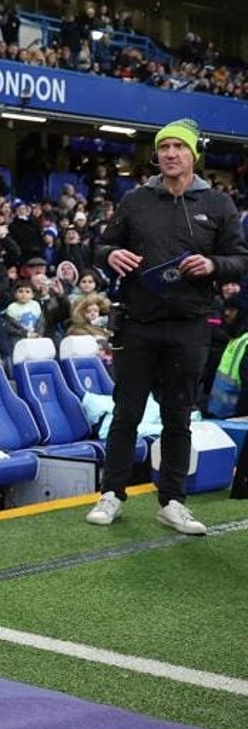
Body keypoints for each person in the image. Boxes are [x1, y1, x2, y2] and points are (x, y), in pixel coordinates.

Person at [85, 119, 248, 534]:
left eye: (179, 146)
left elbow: (240, 259)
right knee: (126, 413)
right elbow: (101, 243)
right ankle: (112, 494)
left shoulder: (219, 204)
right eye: (164, 147)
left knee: (179, 416)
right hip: (139, 323)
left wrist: (214, 264)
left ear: (194, 154)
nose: (171, 153)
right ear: (156, 155)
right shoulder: (137, 200)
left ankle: (172, 500)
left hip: (189, 326)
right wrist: (111, 255)